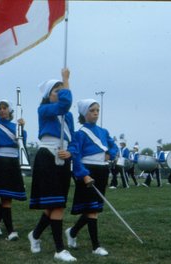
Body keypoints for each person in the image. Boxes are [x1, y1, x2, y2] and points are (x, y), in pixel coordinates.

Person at [27, 68, 77, 262]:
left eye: (61, 89)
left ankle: (35, 235)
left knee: (54, 204)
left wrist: (70, 151)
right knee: (56, 204)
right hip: (47, 157)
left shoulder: (69, 116)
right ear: (48, 95)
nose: (61, 91)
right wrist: (65, 80)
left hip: (63, 159)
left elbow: (72, 138)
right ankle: (59, 249)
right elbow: (64, 104)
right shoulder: (45, 109)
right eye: (57, 90)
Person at [66, 98, 118, 257]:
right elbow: (75, 156)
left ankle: (72, 232)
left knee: (93, 208)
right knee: (92, 209)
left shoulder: (104, 132)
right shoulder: (79, 134)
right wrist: (83, 175)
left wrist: (111, 153)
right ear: (84, 113)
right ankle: (96, 246)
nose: (95, 113)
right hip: (88, 171)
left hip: (102, 171)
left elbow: (113, 146)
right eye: (92, 110)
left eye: (97, 110)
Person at [0, 99, 27, 241]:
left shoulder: (15, 126)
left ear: (10, 110)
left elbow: (22, 143)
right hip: (0, 161)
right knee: (5, 197)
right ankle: (11, 231)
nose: (2, 110)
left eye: (4, 108)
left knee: (7, 197)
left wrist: (22, 128)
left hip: (13, 161)